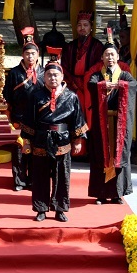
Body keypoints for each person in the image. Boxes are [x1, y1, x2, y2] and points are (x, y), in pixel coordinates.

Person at [21, 47, 88, 222]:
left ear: (62, 77)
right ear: (44, 77)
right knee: (40, 176)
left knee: (62, 176)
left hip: (63, 140)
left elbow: (77, 120)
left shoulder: (71, 97)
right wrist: (27, 142)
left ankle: (60, 209)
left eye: (56, 75)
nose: (53, 78)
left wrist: (78, 140)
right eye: (49, 75)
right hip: (41, 139)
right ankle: (41, 208)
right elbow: (29, 120)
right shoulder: (35, 96)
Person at [86, 33, 137, 204]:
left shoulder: (124, 75)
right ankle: (100, 193)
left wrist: (120, 86)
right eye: (106, 54)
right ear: (102, 57)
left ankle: (117, 193)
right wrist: (102, 86)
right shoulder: (98, 74)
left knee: (119, 154)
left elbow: (134, 85)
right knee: (100, 155)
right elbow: (91, 84)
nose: (109, 57)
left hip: (119, 123)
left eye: (112, 54)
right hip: (102, 123)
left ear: (117, 57)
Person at [3, 28, 44, 191]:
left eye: (33, 54)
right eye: (27, 54)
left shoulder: (44, 72)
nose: (30, 57)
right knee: (20, 150)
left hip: (38, 117)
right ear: (23, 55)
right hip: (19, 116)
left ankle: (34, 179)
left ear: (37, 54)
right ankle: (19, 180)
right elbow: (7, 96)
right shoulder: (14, 73)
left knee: (36, 150)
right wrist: (9, 117)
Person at [61, 11, 104, 123]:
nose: (82, 28)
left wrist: (86, 81)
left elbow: (98, 67)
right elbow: (64, 67)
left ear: (91, 28)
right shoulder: (70, 46)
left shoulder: (97, 46)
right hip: (72, 85)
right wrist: (73, 82)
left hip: (89, 85)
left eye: (85, 25)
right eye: (79, 25)